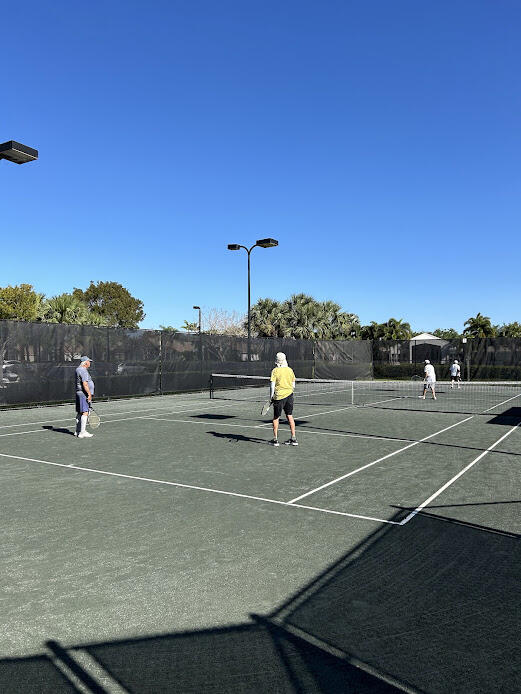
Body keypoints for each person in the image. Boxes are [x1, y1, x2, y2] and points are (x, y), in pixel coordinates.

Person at [269, 352, 298, 446]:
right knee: (290, 415)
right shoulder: (290, 370)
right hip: (289, 396)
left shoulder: (275, 371)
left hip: (279, 397)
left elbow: (272, 386)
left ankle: (275, 440)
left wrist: (271, 397)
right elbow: (293, 385)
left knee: (276, 417)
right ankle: (294, 438)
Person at [75, 356, 95, 438]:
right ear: (85, 362)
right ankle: (82, 432)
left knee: (80, 412)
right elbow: (85, 384)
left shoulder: (78, 369)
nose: (90, 363)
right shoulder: (83, 370)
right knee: (85, 412)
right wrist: (89, 394)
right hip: (83, 394)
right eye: (89, 361)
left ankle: (77, 431)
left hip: (79, 393)